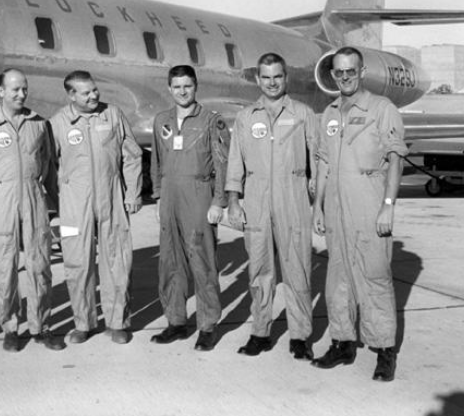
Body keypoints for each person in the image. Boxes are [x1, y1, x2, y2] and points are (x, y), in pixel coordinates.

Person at [311, 46, 407, 382]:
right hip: (336, 206)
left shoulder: (383, 109)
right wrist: (318, 207)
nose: (345, 77)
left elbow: (395, 159)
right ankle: (342, 343)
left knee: (375, 277)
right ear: (332, 75)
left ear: (362, 72)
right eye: (339, 72)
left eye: (351, 71)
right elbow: (323, 161)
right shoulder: (330, 112)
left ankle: (384, 351)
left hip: (369, 202)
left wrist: (388, 206)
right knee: (337, 278)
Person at [226, 53, 318, 359]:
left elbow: (318, 160)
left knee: (297, 270)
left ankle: (300, 335)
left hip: (293, 198)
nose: (272, 83)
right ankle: (260, 332)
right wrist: (233, 201)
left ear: (286, 77)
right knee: (259, 270)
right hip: (256, 199)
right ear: (257, 80)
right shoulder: (245, 117)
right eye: (265, 77)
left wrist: (318, 204)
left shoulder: (303, 113)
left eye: (277, 76)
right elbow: (234, 162)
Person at [0, 68, 64, 352]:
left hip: (33, 197)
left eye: (24, 89)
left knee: (39, 265)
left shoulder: (38, 123)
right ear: (1, 92)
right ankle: (10, 327)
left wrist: (53, 201)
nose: (22, 94)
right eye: (15, 90)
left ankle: (41, 326)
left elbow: (48, 165)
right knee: (4, 269)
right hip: (0, 199)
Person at [50, 71, 142, 344]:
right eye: (86, 93)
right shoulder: (58, 123)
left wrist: (132, 192)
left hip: (111, 197)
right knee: (78, 263)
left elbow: (132, 155)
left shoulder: (112, 115)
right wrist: (58, 203)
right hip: (74, 203)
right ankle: (83, 322)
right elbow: (47, 166)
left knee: (117, 260)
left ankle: (117, 322)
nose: (93, 96)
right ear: (71, 95)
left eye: (94, 90)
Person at [149, 65, 230, 352]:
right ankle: (176, 321)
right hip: (169, 195)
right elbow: (156, 162)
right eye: (177, 86)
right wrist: (159, 195)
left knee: (202, 261)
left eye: (188, 86)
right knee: (170, 261)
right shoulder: (162, 120)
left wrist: (219, 201)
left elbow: (222, 163)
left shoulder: (211, 120)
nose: (182, 91)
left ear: (196, 87)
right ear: (169, 88)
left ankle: (207, 325)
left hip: (198, 194)